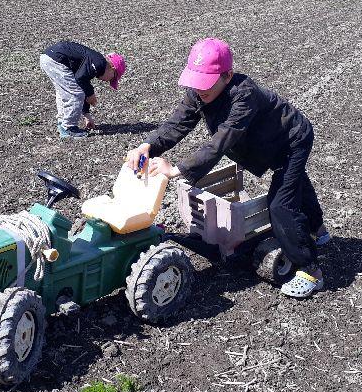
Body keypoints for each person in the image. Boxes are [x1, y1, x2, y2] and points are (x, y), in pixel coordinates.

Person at [125, 38, 328, 298]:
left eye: (206, 83)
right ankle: (319, 229)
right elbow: (177, 123)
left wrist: (177, 169)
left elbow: (222, 141)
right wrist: (147, 146)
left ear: (227, 75)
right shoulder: (198, 91)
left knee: (280, 205)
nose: (199, 90)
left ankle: (311, 270)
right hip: (267, 145)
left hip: (291, 141)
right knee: (295, 182)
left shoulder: (244, 95)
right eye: (195, 82)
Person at [40, 41, 126, 139]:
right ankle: (68, 128)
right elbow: (80, 80)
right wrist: (91, 94)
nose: (108, 81)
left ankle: (62, 123)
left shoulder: (95, 63)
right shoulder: (99, 63)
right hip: (56, 60)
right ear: (112, 68)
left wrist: (86, 114)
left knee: (65, 92)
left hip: (48, 58)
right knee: (75, 93)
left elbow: (82, 83)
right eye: (112, 78)